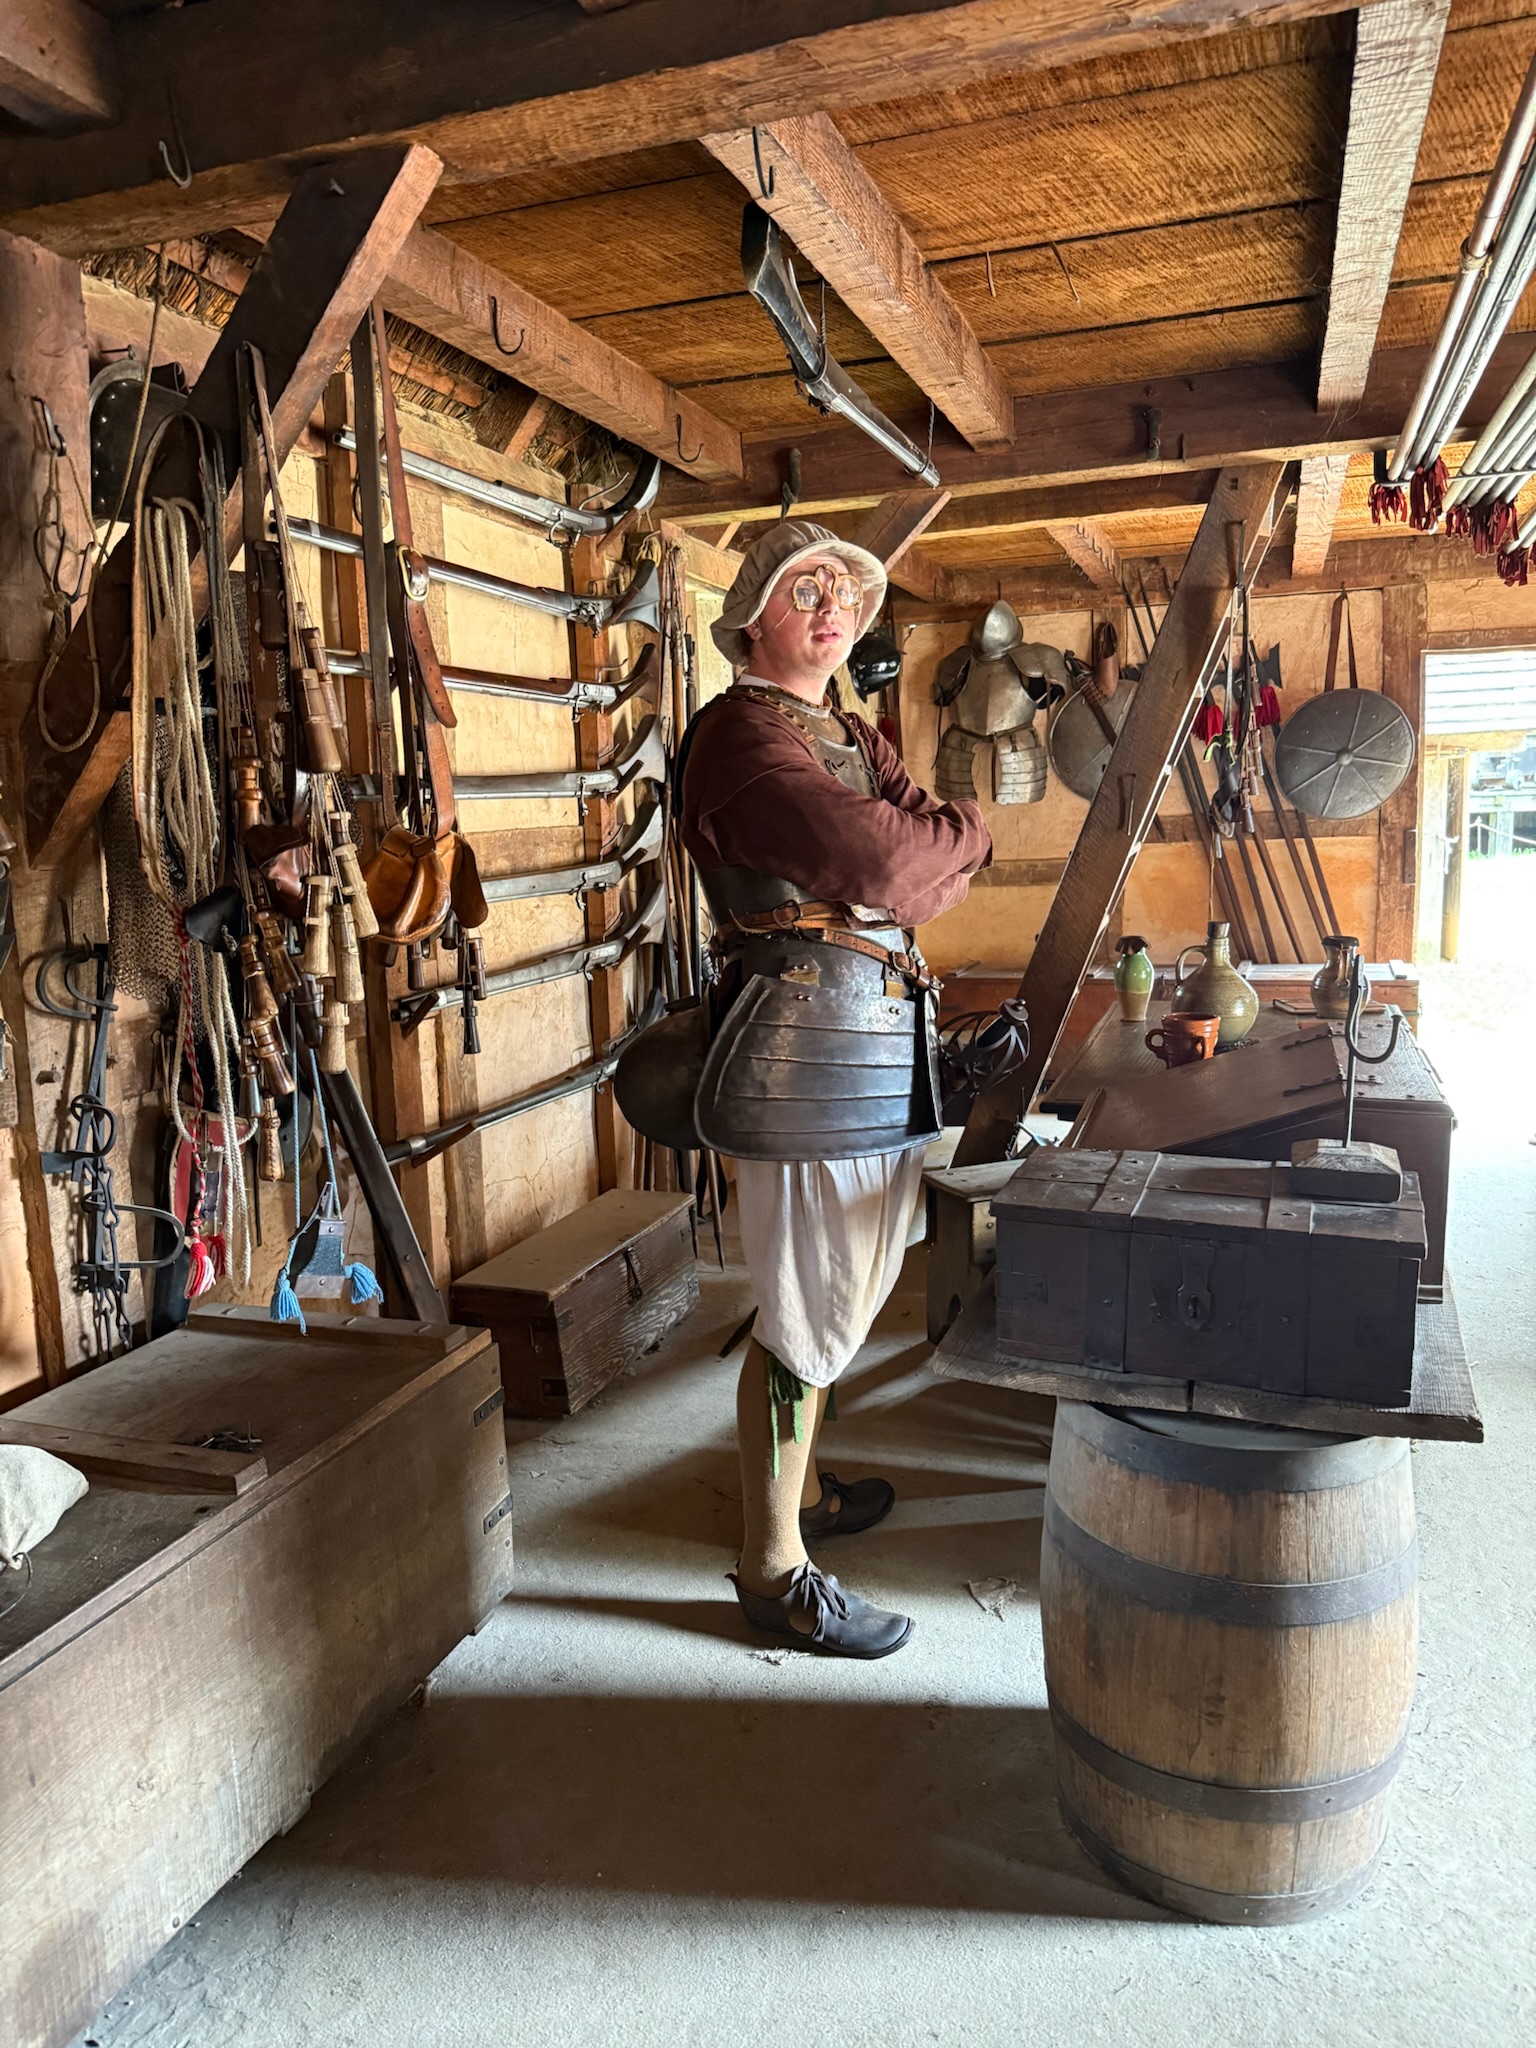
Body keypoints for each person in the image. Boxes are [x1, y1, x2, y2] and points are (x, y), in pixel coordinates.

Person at [679, 519, 992, 1658]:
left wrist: (944, 843)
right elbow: (892, 862)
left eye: (845, 591)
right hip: (804, 1049)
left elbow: (945, 850)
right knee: (806, 1308)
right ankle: (773, 1571)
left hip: (867, 1035)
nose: (833, 608)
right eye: (804, 589)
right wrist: (938, 847)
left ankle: (801, 1493)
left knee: (842, 1290)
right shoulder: (739, 733)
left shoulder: (847, 730)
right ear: (752, 616)